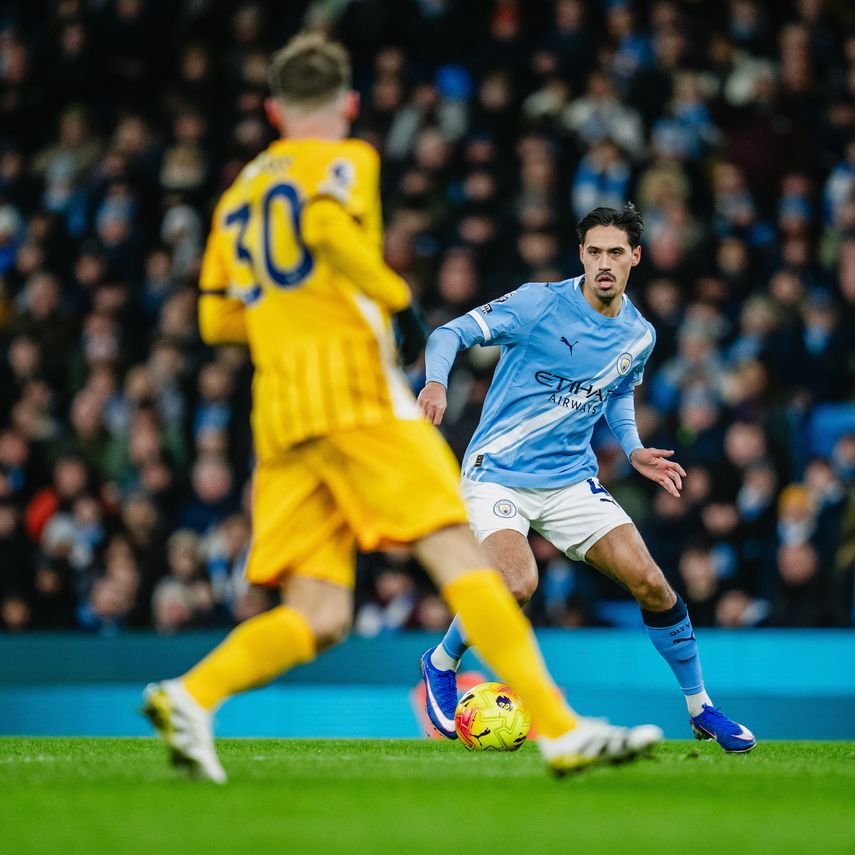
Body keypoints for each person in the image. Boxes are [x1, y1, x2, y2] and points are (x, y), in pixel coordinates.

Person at [142, 36, 662, 783]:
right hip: (351, 393)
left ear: (271, 109)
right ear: (349, 104)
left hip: (280, 410)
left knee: (319, 612)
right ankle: (561, 728)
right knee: (457, 552)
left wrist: (293, 317)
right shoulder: (346, 159)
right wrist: (394, 301)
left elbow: (214, 322)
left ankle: (191, 694)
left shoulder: (238, 195)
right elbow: (323, 227)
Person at [418, 205, 756, 754]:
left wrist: (635, 447)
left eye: (616, 253)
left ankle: (700, 709)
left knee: (652, 582)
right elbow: (447, 333)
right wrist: (436, 383)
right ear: (581, 254)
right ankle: (441, 661)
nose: (605, 262)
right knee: (517, 582)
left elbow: (618, 392)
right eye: (594, 251)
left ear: (635, 258)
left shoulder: (639, 335)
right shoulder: (537, 303)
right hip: (498, 472)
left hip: (570, 480)